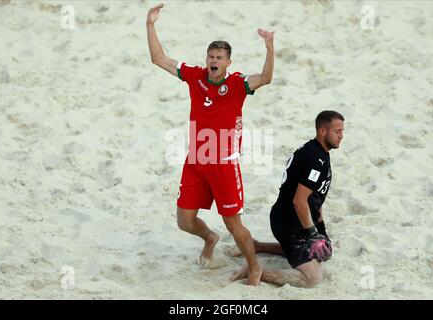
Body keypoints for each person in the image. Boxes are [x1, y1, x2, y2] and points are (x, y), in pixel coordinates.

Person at [146, 3, 275, 286]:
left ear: (228, 62)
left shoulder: (238, 84)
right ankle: (209, 238)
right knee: (184, 221)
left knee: (234, 224)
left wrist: (269, 48)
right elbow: (159, 58)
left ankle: (254, 267)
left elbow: (265, 78)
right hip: (196, 161)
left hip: (224, 164)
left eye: (219, 57)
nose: (213, 61)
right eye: (210, 56)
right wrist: (151, 25)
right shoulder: (194, 76)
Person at [230, 110, 344, 288]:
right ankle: (257, 271)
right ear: (322, 131)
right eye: (337, 131)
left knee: (321, 253)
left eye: (342, 131)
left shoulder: (315, 150)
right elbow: (299, 201)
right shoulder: (316, 160)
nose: (341, 136)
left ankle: (258, 246)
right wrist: (312, 233)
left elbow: (315, 193)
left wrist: (319, 223)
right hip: (289, 223)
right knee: (313, 278)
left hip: (292, 217)